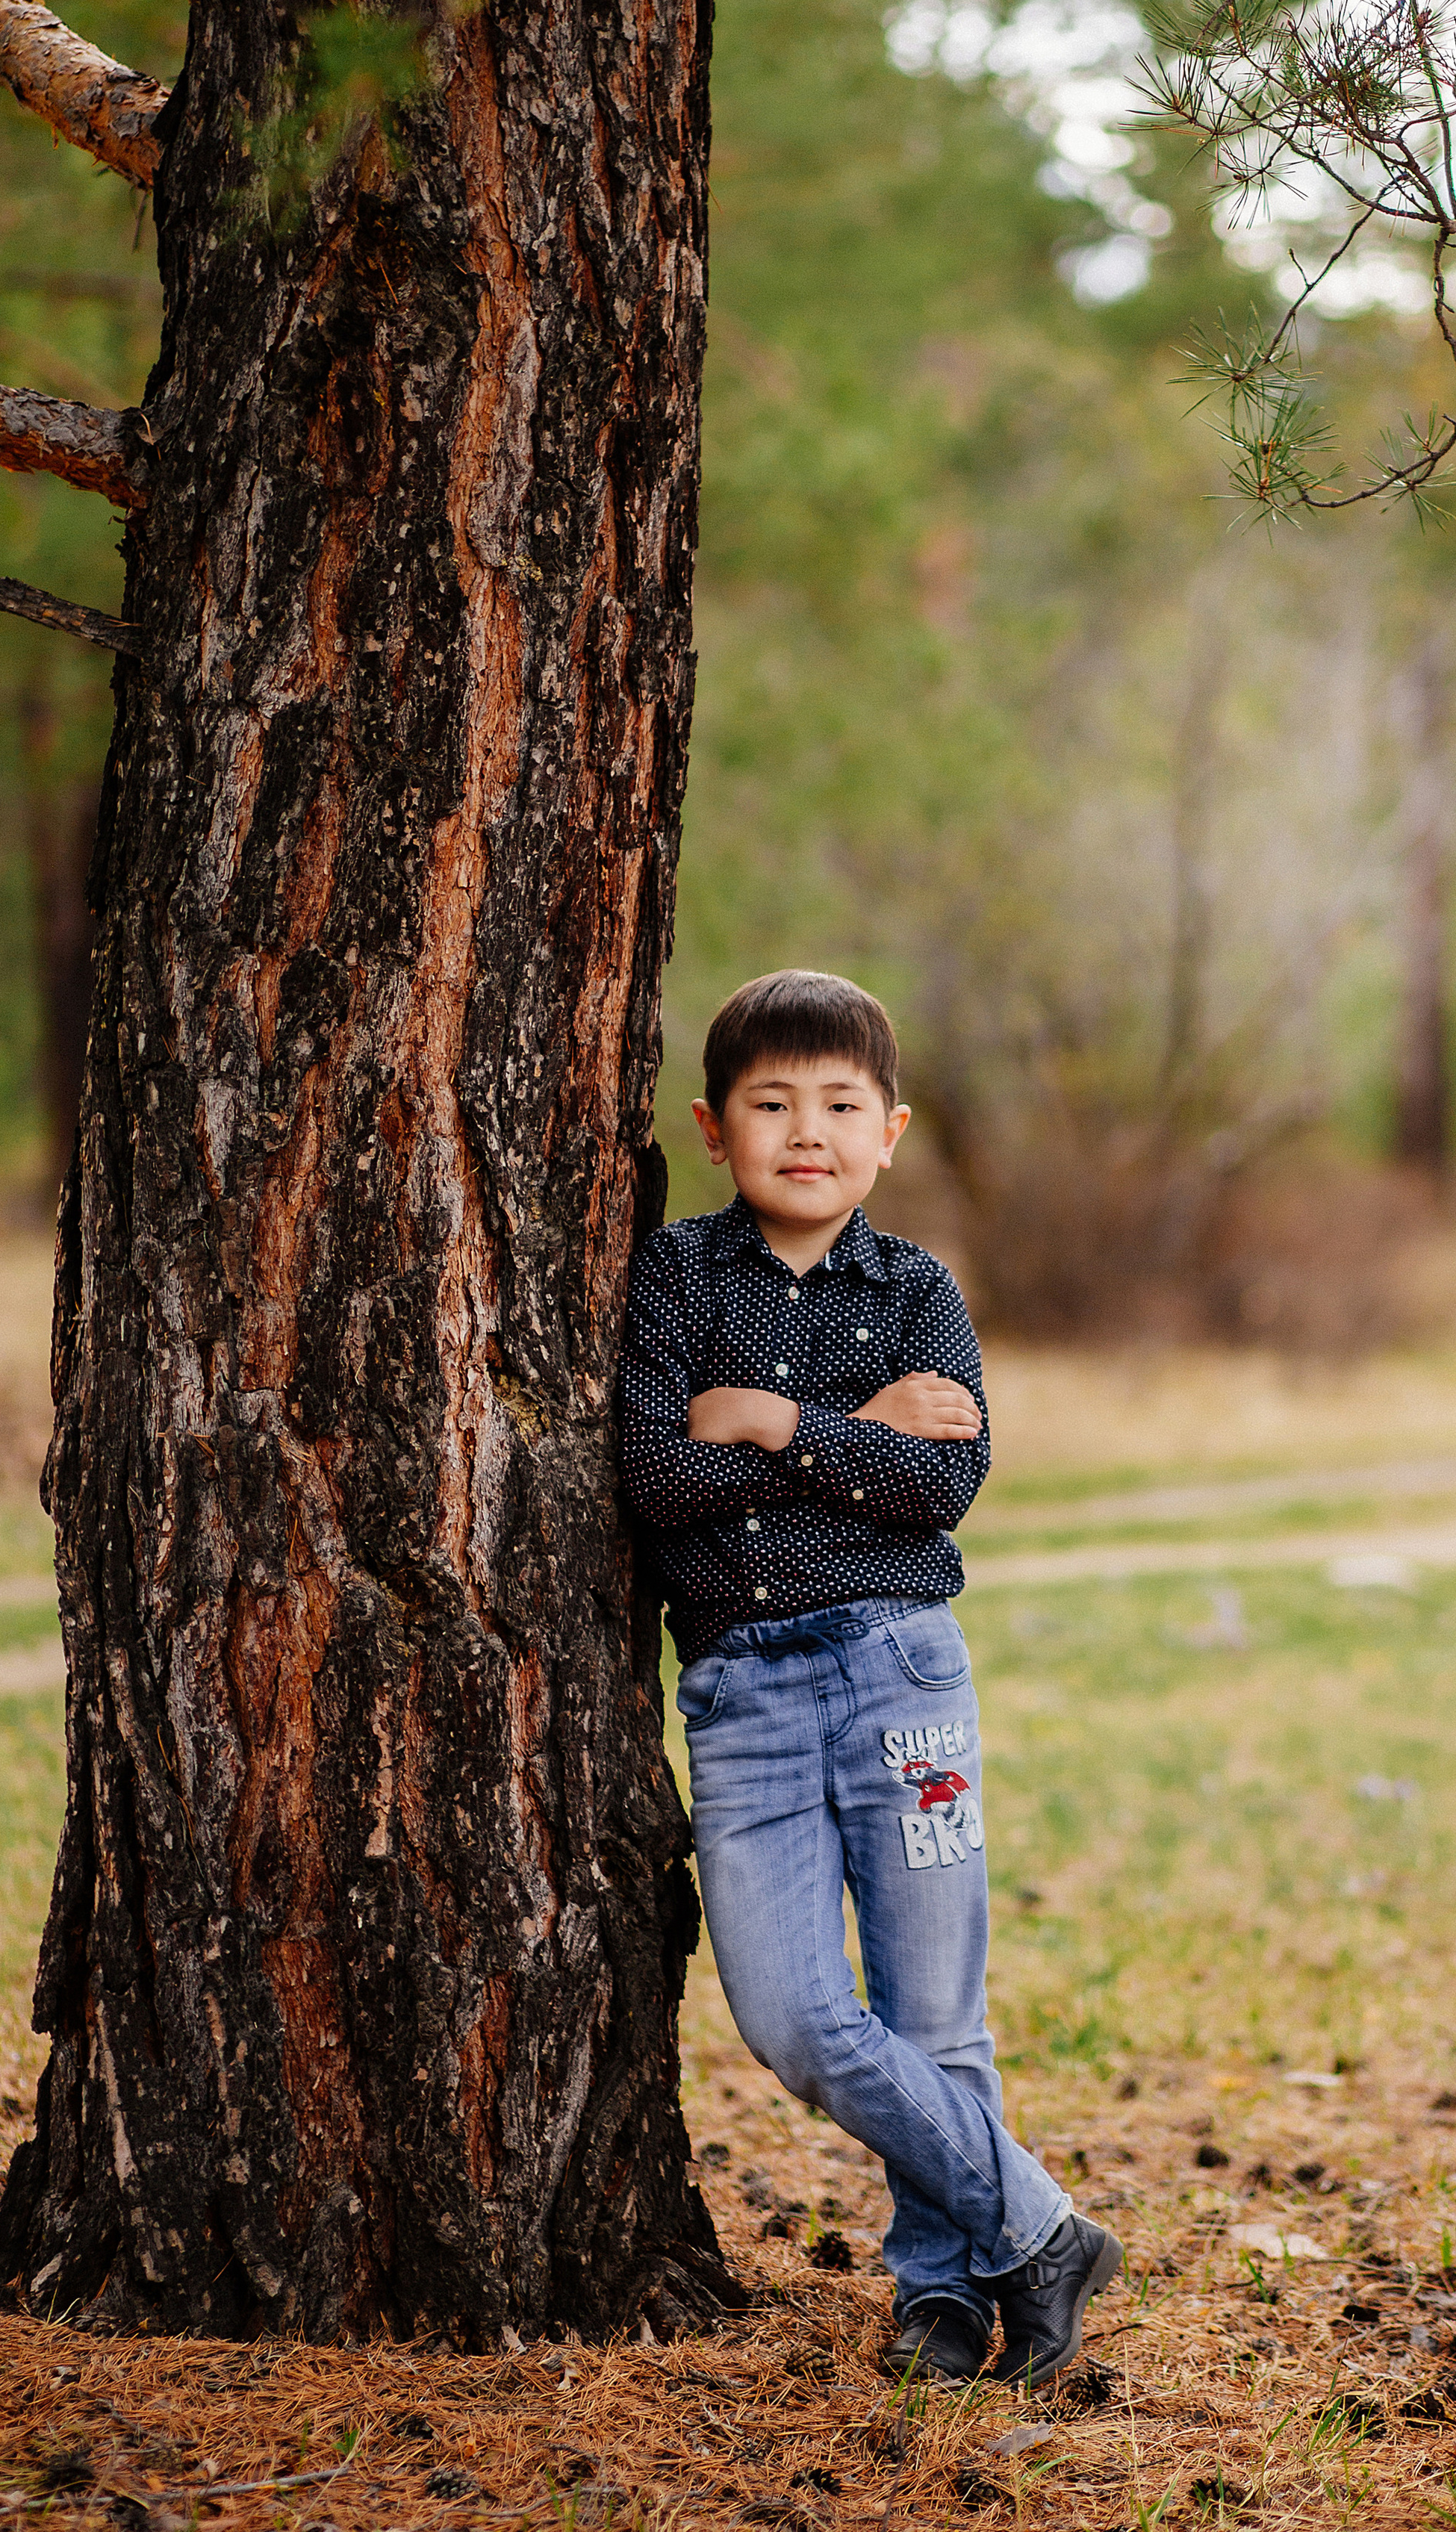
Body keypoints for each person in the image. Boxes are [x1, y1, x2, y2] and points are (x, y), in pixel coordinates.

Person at [618, 968, 1121, 2389]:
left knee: (933, 2010)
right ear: (714, 1129)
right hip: (744, 1705)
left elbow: (945, 1480)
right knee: (788, 2014)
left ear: (890, 1131)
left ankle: (943, 2301)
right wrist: (859, 1443)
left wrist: (779, 1422)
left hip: (903, 1686)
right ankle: (1042, 2226)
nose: (807, 1131)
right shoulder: (673, 1278)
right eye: (772, 1103)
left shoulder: (917, 1293)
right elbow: (655, 1479)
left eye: (840, 1105)